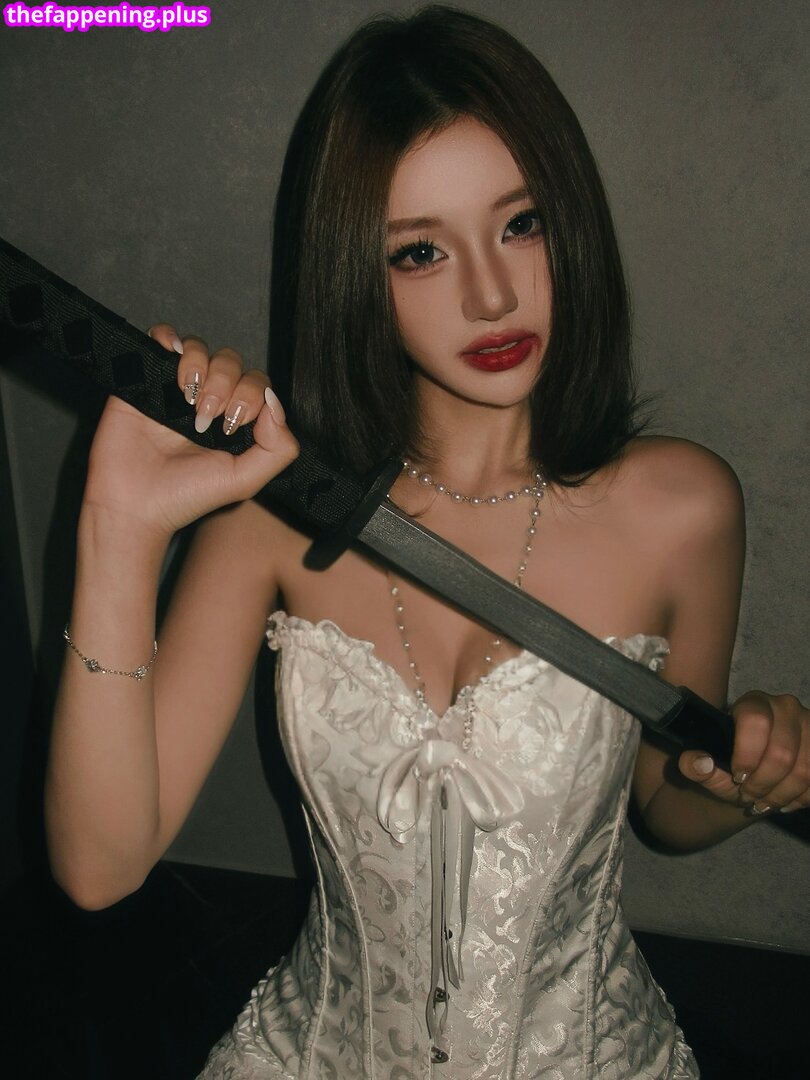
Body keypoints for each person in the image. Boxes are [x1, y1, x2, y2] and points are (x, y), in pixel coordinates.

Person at [45, 6, 808, 1078]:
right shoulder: (272, 517)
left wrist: (740, 784)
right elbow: (99, 869)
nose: (491, 293)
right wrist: (118, 527)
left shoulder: (684, 508)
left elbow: (662, 804)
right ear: (356, 274)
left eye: (521, 224)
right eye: (419, 251)